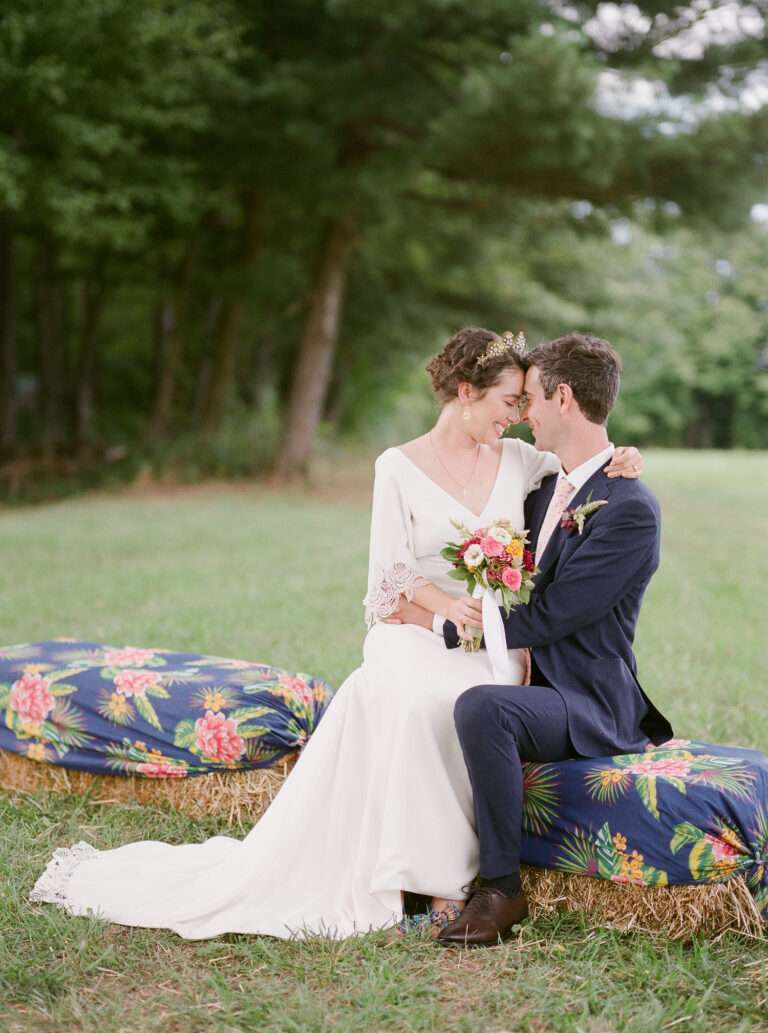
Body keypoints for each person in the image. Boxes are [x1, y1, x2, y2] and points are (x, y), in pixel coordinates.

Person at [30, 328, 643, 940]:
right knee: (403, 695)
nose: (517, 415)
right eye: (508, 401)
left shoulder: (519, 460)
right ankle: (416, 879)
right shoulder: (397, 466)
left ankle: (433, 877)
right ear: (465, 393)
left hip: (489, 641)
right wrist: (438, 615)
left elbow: (583, 468)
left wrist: (628, 456)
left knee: (448, 703)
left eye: (523, 403)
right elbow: (389, 581)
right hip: (420, 626)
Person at [394, 333, 673, 947]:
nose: (525, 414)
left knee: (481, 707)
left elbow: (552, 616)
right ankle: (419, 863)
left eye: (532, 400)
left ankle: (500, 888)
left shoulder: (629, 508)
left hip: (584, 698)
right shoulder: (544, 488)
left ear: (564, 397)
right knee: (419, 694)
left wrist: (450, 627)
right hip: (520, 671)